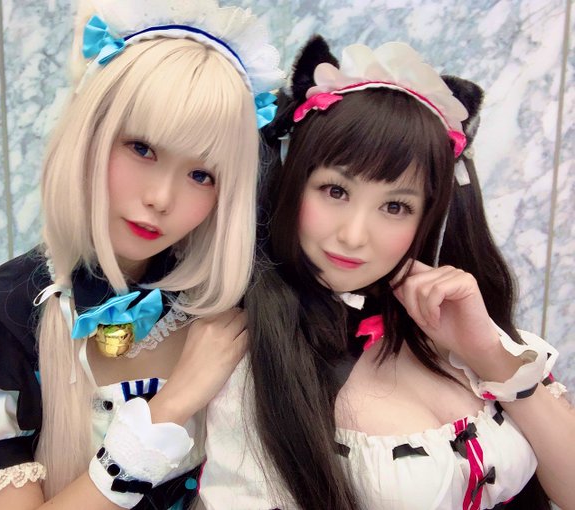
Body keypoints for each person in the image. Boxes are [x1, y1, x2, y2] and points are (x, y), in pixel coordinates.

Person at [0, 1, 284, 509]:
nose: (161, 198)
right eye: (142, 149)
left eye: (201, 175)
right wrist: (170, 407)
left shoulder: (224, 306)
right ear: (89, 133)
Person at [198, 36, 574, 510]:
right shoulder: (252, 359)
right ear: (293, 182)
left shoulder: (459, 322)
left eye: (395, 206)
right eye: (335, 191)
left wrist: (488, 354)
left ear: (427, 218)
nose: (354, 236)